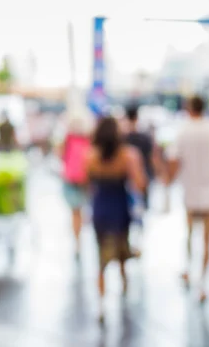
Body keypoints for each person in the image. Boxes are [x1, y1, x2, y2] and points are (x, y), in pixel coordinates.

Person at [167, 96, 209, 303]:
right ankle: (202, 282)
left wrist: (168, 183)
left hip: (191, 192)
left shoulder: (183, 131)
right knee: (207, 240)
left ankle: (187, 269)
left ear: (188, 108)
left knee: (189, 234)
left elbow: (174, 161)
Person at [86, 116, 146, 323]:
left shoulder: (91, 157)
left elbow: (86, 184)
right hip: (120, 209)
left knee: (100, 258)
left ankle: (101, 305)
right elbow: (140, 183)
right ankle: (124, 289)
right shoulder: (127, 156)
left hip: (100, 208)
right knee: (122, 251)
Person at [60, 112, 92, 259]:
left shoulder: (85, 140)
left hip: (81, 180)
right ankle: (78, 241)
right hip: (74, 180)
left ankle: (78, 240)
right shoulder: (70, 140)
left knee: (78, 213)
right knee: (77, 213)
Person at [125, 105, 155, 208]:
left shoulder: (122, 137)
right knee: (143, 206)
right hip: (144, 173)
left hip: (128, 177)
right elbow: (152, 156)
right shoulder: (144, 137)